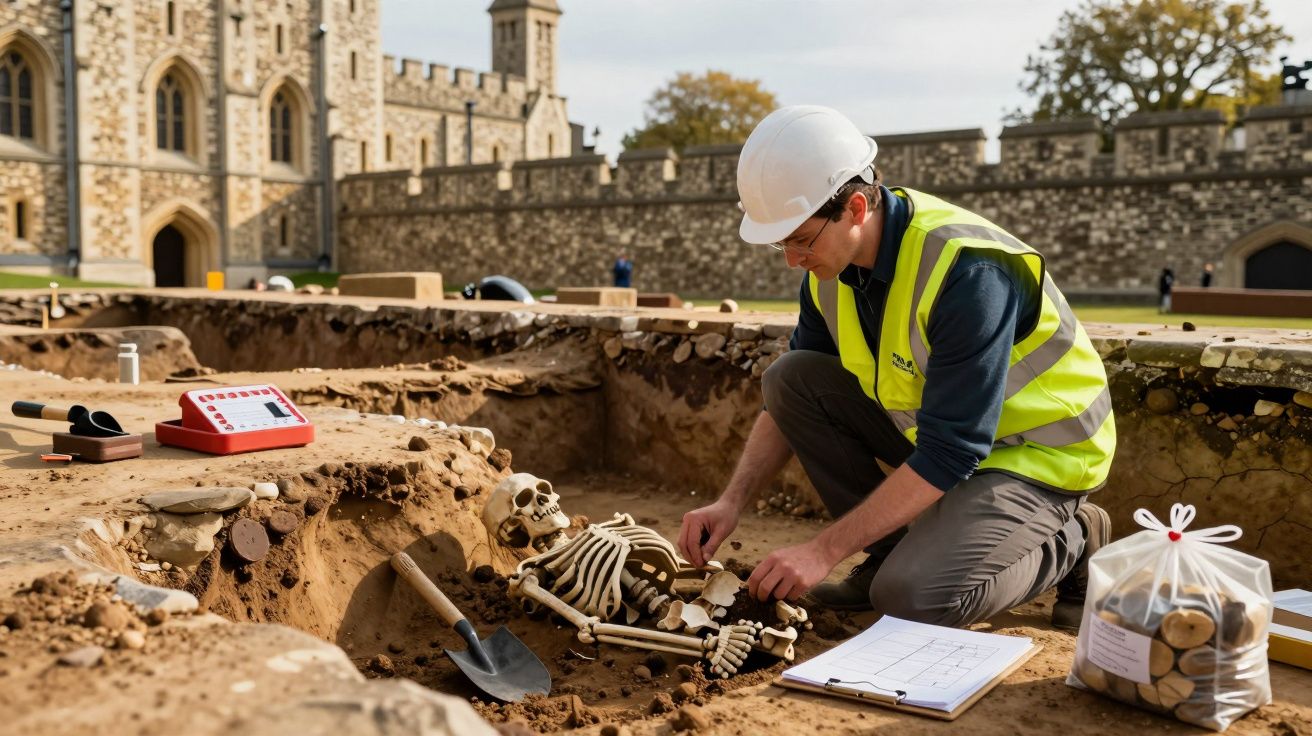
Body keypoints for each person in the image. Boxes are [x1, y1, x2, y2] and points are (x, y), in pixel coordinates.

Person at [677, 105, 1115, 630]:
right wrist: (731, 502)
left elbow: (951, 451)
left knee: (912, 599)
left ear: (857, 207)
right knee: (790, 379)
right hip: (947, 439)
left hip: (1040, 454)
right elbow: (789, 399)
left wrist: (823, 551)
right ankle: (888, 553)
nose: (792, 259)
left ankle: (1074, 535)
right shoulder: (829, 271)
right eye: (781, 242)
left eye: (800, 239)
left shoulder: (967, 270)